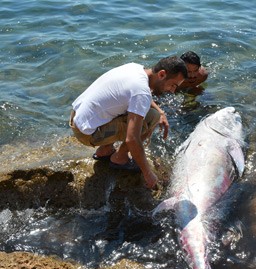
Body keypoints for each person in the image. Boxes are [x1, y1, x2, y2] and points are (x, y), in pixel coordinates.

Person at [69, 56, 188, 189]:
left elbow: (138, 95)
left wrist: (161, 111)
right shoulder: (141, 93)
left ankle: (105, 150)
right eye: (173, 85)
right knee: (151, 118)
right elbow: (132, 139)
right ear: (162, 74)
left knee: (142, 110)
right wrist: (148, 173)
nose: (172, 90)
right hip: (87, 134)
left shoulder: (135, 68)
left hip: (77, 118)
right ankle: (120, 157)